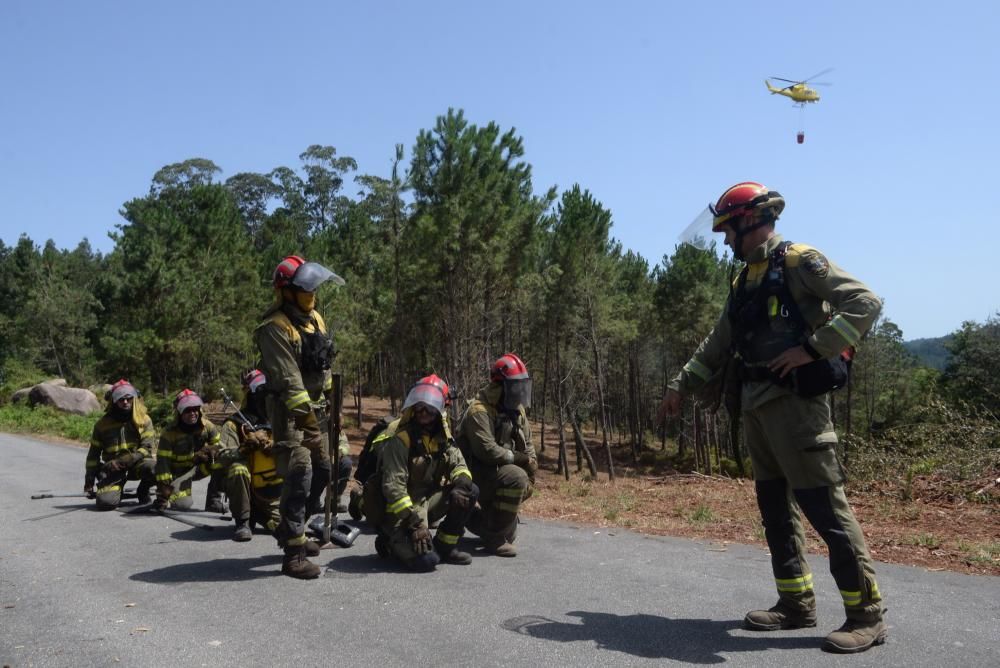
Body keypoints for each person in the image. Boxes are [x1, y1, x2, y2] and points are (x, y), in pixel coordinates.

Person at [659, 182, 886, 654]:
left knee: (825, 509)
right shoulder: (743, 280)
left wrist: (811, 349)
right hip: (756, 406)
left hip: (798, 409)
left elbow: (865, 302)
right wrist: (681, 384)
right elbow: (719, 342)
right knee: (776, 512)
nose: (725, 242)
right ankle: (796, 603)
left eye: (728, 231)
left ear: (749, 222)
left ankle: (867, 616)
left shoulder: (801, 261)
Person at [254, 255, 344, 579]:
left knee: (324, 470)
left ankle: (294, 532)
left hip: (319, 410)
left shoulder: (315, 319)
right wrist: (309, 425)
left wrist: (335, 412)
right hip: (292, 416)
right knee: (300, 474)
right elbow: (290, 383)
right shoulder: (274, 328)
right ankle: (293, 555)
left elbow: (324, 368)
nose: (312, 295)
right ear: (287, 292)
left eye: (313, 289)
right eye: (305, 290)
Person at [363, 376, 478, 572]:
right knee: (427, 562)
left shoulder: (441, 438)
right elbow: (394, 488)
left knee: (470, 490)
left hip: (426, 501)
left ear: (440, 410)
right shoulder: (400, 440)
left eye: (430, 408)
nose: (423, 413)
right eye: (419, 407)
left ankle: (445, 546)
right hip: (400, 514)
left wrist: (460, 485)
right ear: (412, 408)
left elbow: (459, 465)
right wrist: (415, 525)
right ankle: (388, 541)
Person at [456, 353, 536, 557]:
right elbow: (487, 450)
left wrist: (531, 463)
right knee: (516, 477)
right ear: (500, 387)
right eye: (515, 387)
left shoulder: (516, 410)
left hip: (498, 474)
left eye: (522, 386)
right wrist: (520, 460)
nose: (520, 393)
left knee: (522, 480)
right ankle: (492, 536)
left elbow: (528, 444)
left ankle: (487, 520)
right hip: (475, 475)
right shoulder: (479, 410)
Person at [217, 369, 280, 542]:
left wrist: (275, 446)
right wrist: (244, 449)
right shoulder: (235, 424)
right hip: (248, 485)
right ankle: (243, 521)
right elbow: (222, 456)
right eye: (262, 393)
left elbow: (297, 447)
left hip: (273, 490)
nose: (267, 399)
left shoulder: (280, 420)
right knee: (238, 470)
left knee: (283, 527)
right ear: (252, 395)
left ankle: (259, 513)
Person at [84, 379, 157, 509]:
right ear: (113, 400)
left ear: (134, 399)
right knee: (106, 503)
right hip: (113, 468)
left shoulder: (144, 420)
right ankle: (111, 484)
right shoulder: (102, 425)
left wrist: (129, 459)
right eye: (120, 399)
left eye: (128, 398)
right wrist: (89, 479)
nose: (125, 402)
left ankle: (143, 491)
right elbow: (93, 454)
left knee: (156, 468)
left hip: (137, 465)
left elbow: (147, 447)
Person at [153, 389, 222, 511]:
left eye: (195, 409)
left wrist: (209, 450)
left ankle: (213, 501)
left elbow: (220, 446)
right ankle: (160, 490)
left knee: (221, 460)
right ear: (179, 412)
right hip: (177, 473)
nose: (193, 413)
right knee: (182, 505)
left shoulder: (207, 427)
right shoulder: (169, 433)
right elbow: (163, 464)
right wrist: (163, 493)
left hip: (196, 469)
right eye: (187, 410)